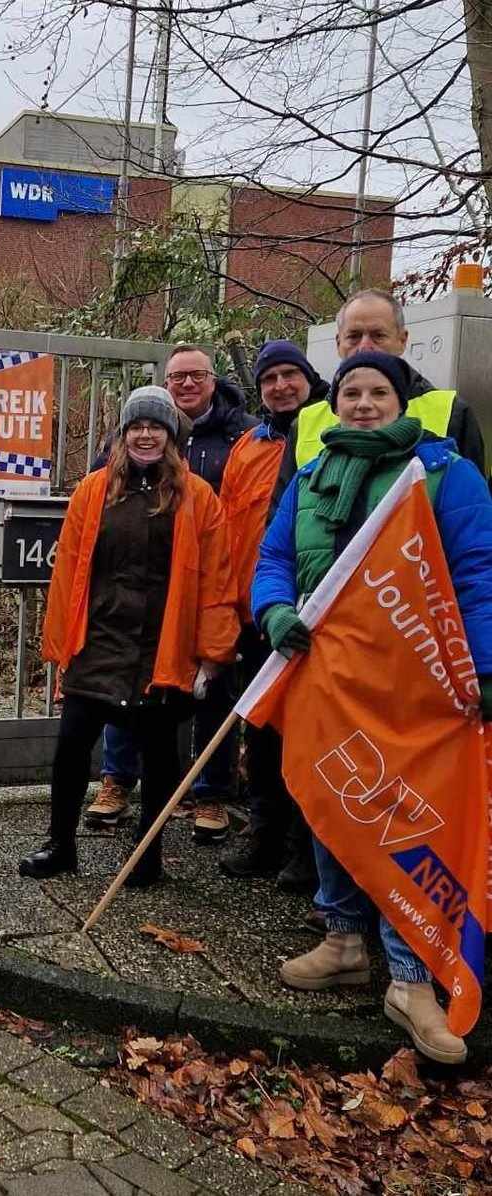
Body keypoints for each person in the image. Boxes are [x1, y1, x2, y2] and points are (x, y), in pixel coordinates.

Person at [253, 349, 492, 1064]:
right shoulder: (311, 473)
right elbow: (274, 559)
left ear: (402, 400)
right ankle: (343, 941)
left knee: (401, 814)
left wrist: (485, 667)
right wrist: (271, 610)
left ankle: (412, 977)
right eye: (350, 391)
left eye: (376, 391)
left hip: (413, 683)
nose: (361, 403)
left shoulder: (446, 474)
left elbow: (479, 572)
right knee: (334, 800)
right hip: (326, 677)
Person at [19, 387, 239, 887]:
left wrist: (212, 653)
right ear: (122, 435)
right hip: (98, 641)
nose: (146, 435)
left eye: (156, 426)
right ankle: (60, 843)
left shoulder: (199, 498)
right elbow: (69, 571)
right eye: (137, 426)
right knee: (71, 747)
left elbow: (217, 580)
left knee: (162, 755)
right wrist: (62, 643)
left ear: (172, 436)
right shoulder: (93, 491)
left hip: (163, 645)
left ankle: (147, 851)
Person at [89, 348, 254, 843]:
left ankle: (210, 793)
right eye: (177, 377)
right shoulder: (123, 450)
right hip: (134, 602)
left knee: (211, 693)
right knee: (125, 692)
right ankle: (117, 782)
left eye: (196, 375)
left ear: (212, 379)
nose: (186, 384)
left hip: (202, 589)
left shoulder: (239, 435)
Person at [218, 342, 321, 890]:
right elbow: (234, 529)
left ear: (309, 378)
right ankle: (264, 835)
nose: (281, 386)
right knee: (260, 732)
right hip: (257, 610)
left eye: (290, 375)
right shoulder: (249, 446)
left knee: (306, 733)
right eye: (270, 379)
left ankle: (306, 851)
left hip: (310, 616)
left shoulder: (322, 434)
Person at [272, 290, 486, 504]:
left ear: (402, 340)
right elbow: (283, 514)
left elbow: (475, 510)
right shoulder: (305, 422)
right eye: (354, 336)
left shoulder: (452, 412)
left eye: (378, 335)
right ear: (339, 343)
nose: (365, 346)